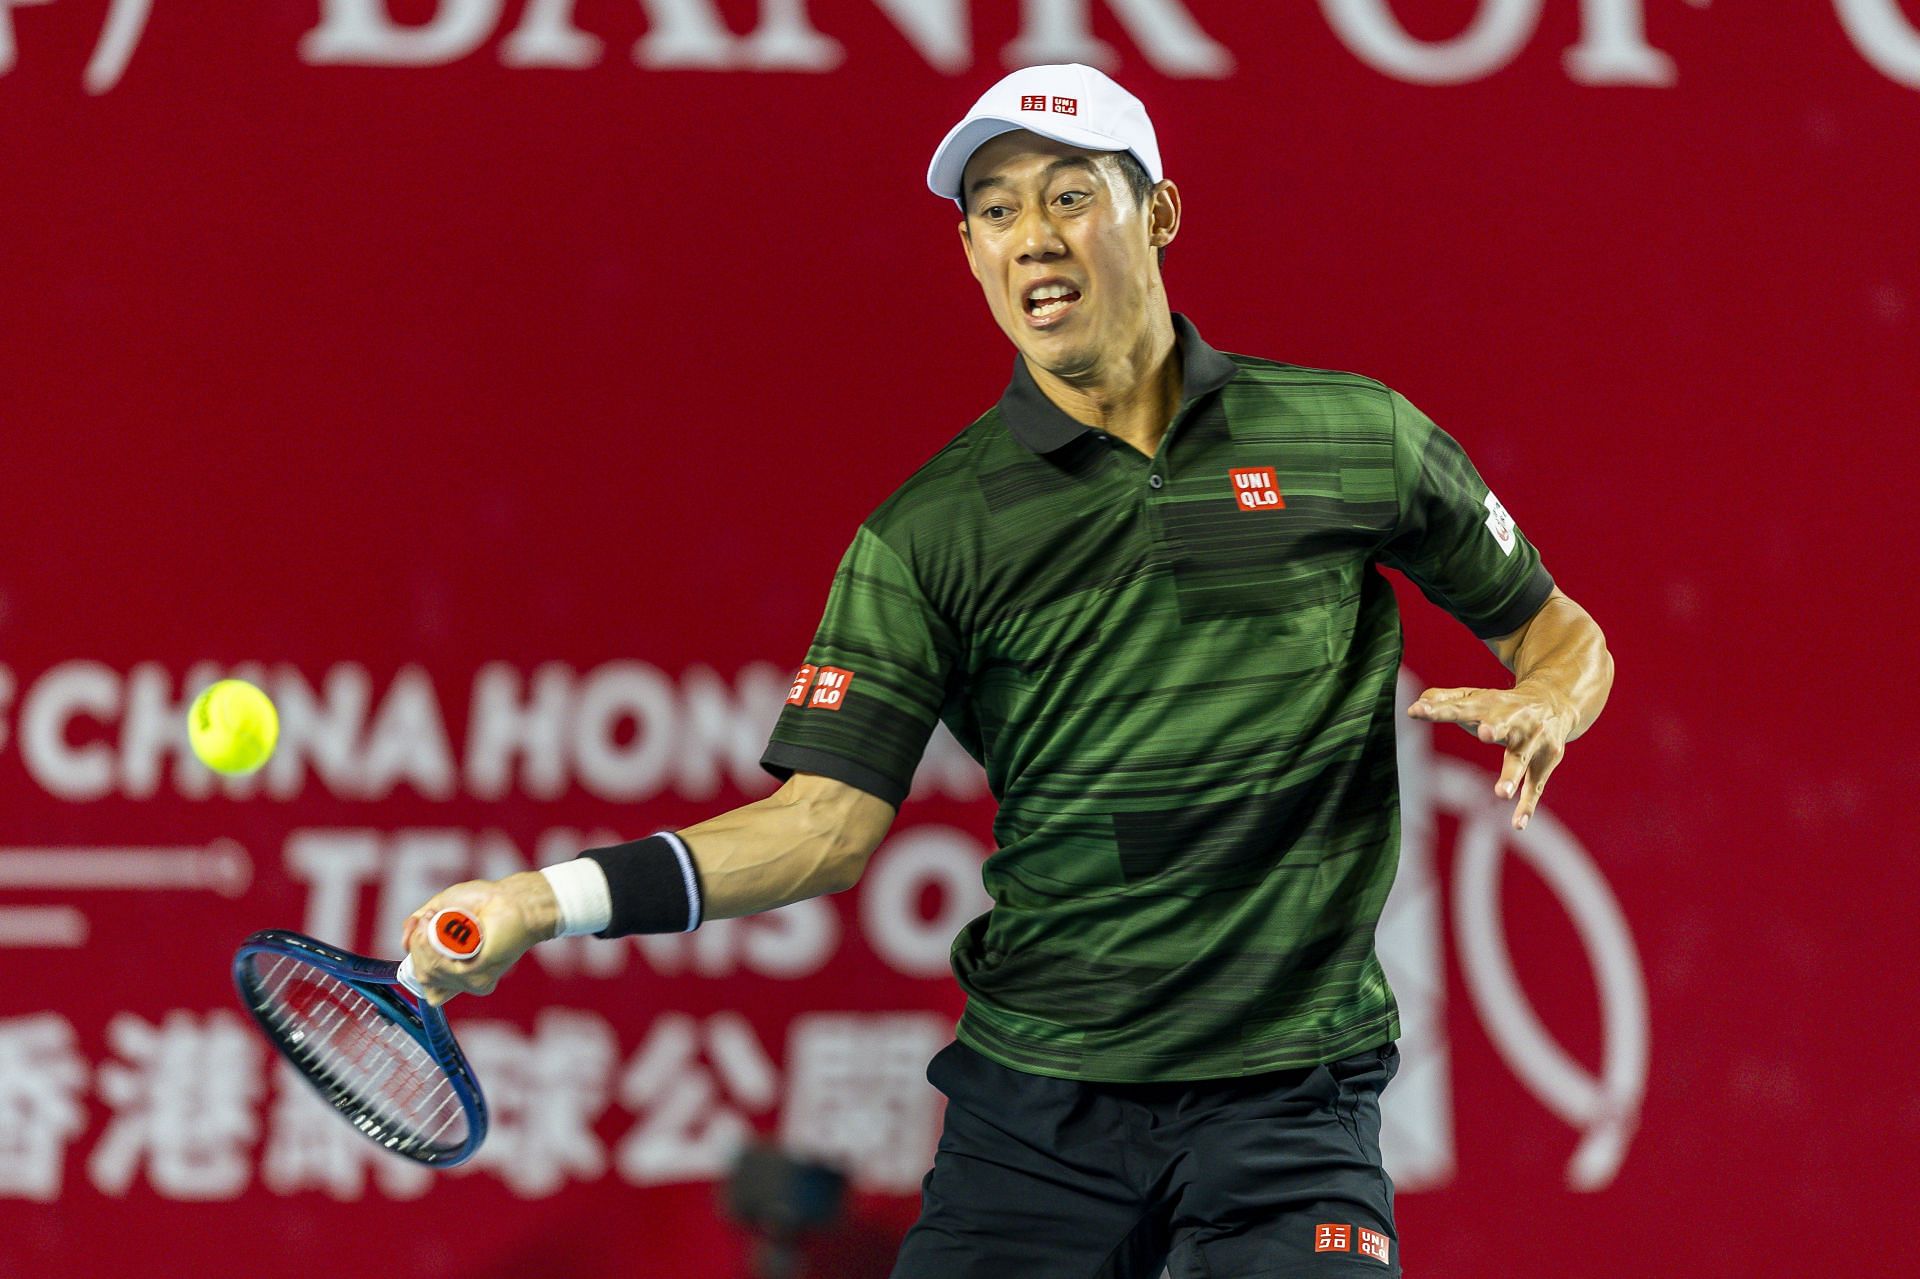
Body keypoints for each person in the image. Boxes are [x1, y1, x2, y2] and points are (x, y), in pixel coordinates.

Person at [405, 63, 1613, 1279]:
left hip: (1290, 1098)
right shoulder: (929, 532)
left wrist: (1551, 698)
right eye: (993, 210)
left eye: (1069, 194)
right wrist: (540, 900)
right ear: (973, 252)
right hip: (1040, 1113)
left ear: (1159, 213)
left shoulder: (1352, 437)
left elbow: (1560, 631)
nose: (1031, 236)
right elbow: (820, 827)